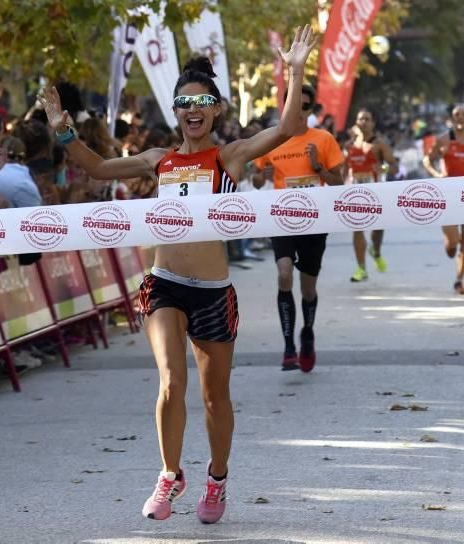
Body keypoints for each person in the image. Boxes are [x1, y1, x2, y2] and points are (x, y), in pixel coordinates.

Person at [39, 25, 316, 524]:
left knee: (215, 396)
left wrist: (295, 72)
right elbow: (98, 168)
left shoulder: (228, 155)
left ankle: (217, 478)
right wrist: (63, 129)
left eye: (203, 102)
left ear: (215, 109)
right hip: (164, 284)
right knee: (171, 382)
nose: (193, 110)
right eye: (184, 102)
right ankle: (169, 475)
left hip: (212, 293)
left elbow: (289, 128)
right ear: (176, 111)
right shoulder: (157, 160)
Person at [251, 84, 345, 373]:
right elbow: (255, 180)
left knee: (307, 288)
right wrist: (261, 177)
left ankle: (307, 333)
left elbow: (339, 183)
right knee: (283, 274)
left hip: (315, 222)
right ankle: (289, 345)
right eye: (295, 105)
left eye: (306, 106)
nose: (300, 111)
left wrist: (318, 167)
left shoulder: (323, 139)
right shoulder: (271, 140)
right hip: (282, 219)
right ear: (286, 107)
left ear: (310, 108)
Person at [422, 104, 464, 295]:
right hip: (448, 196)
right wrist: (436, 174)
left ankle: (459, 280)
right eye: (456, 115)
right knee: (453, 243)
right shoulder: (444, 140)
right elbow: (427, 160)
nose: (460, 118)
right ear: (452, 119)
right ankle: (450, 245)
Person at [346, 108, 397, 282]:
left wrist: (383, 168)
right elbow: (345, 170)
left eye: (367, 119)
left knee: (377, 229)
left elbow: (394, 166)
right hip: (355, 193)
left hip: (376, 193)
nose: (363, 122)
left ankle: (375, 251)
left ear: (373, 123)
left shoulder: (380, 144)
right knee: (357, 228)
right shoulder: (350, 145)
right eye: (360, 119)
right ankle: (361, 269)